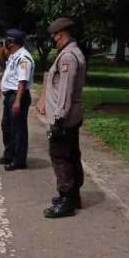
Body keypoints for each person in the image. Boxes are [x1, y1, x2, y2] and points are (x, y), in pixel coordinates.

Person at [40, 18, 87, 218]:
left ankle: (66, 200)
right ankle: (73, 196)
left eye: (53, 36)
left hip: (64, 116)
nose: (52, 40)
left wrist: (59, 119)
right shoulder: (72, 53)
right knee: (72, 154)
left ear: (60, 34)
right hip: (72, 115)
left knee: (61, 157)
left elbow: (65, 92)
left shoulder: (67, 57)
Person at [0, 29, 34, 171]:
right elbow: (10, 75)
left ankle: (19, 160)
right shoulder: (13, 56)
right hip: (10, 96)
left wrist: (17, 101)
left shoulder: (23, 58)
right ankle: (9, 155)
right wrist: (0, 88)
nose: (5, 43)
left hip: (18, 96)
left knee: (18, 130)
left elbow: (22, 82)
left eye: (7, 40)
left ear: (13, 42)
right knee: (7, 127)